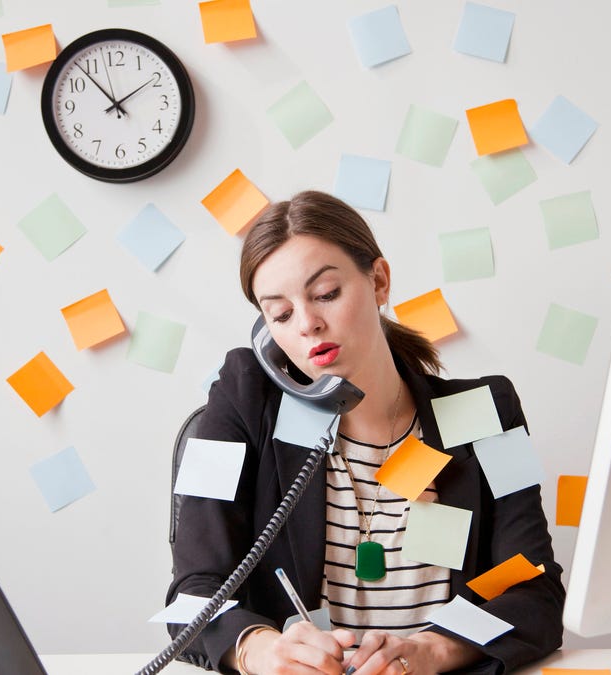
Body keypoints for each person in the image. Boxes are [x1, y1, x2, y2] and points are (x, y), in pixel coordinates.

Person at [168, 191, 564, 675]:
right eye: (282, 314)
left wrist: (435, 651)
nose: (309, 324)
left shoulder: (485, 410)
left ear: (378, 281)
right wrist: (260, 650)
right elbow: (191, 594)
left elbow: (535, 591)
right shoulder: (242, 399)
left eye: (326, 294)